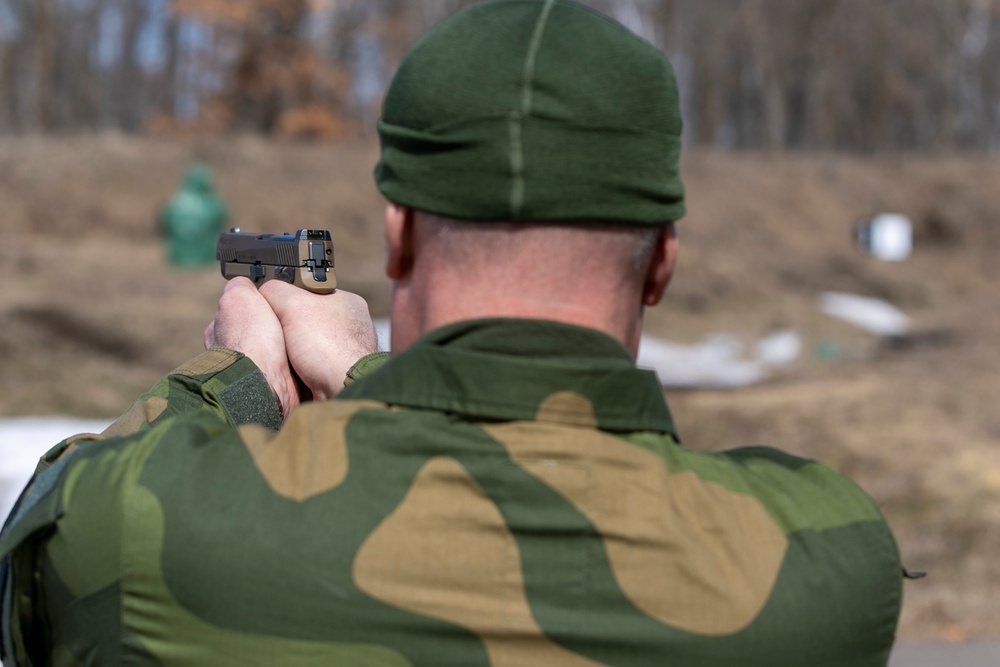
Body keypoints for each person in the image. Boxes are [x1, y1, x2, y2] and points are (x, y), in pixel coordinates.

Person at [0, 1, 904, 665]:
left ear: (397, 235)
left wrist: (239, 375)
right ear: (663, 259)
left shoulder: (154, 532)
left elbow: (42, 549)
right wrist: (365, 372)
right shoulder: (823, 562)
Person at [158, 164, 230, 267]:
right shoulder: (213, 202)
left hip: (177, 259)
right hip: (205, 260)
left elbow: (165, 223)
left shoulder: (175, 200)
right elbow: (222, 221)